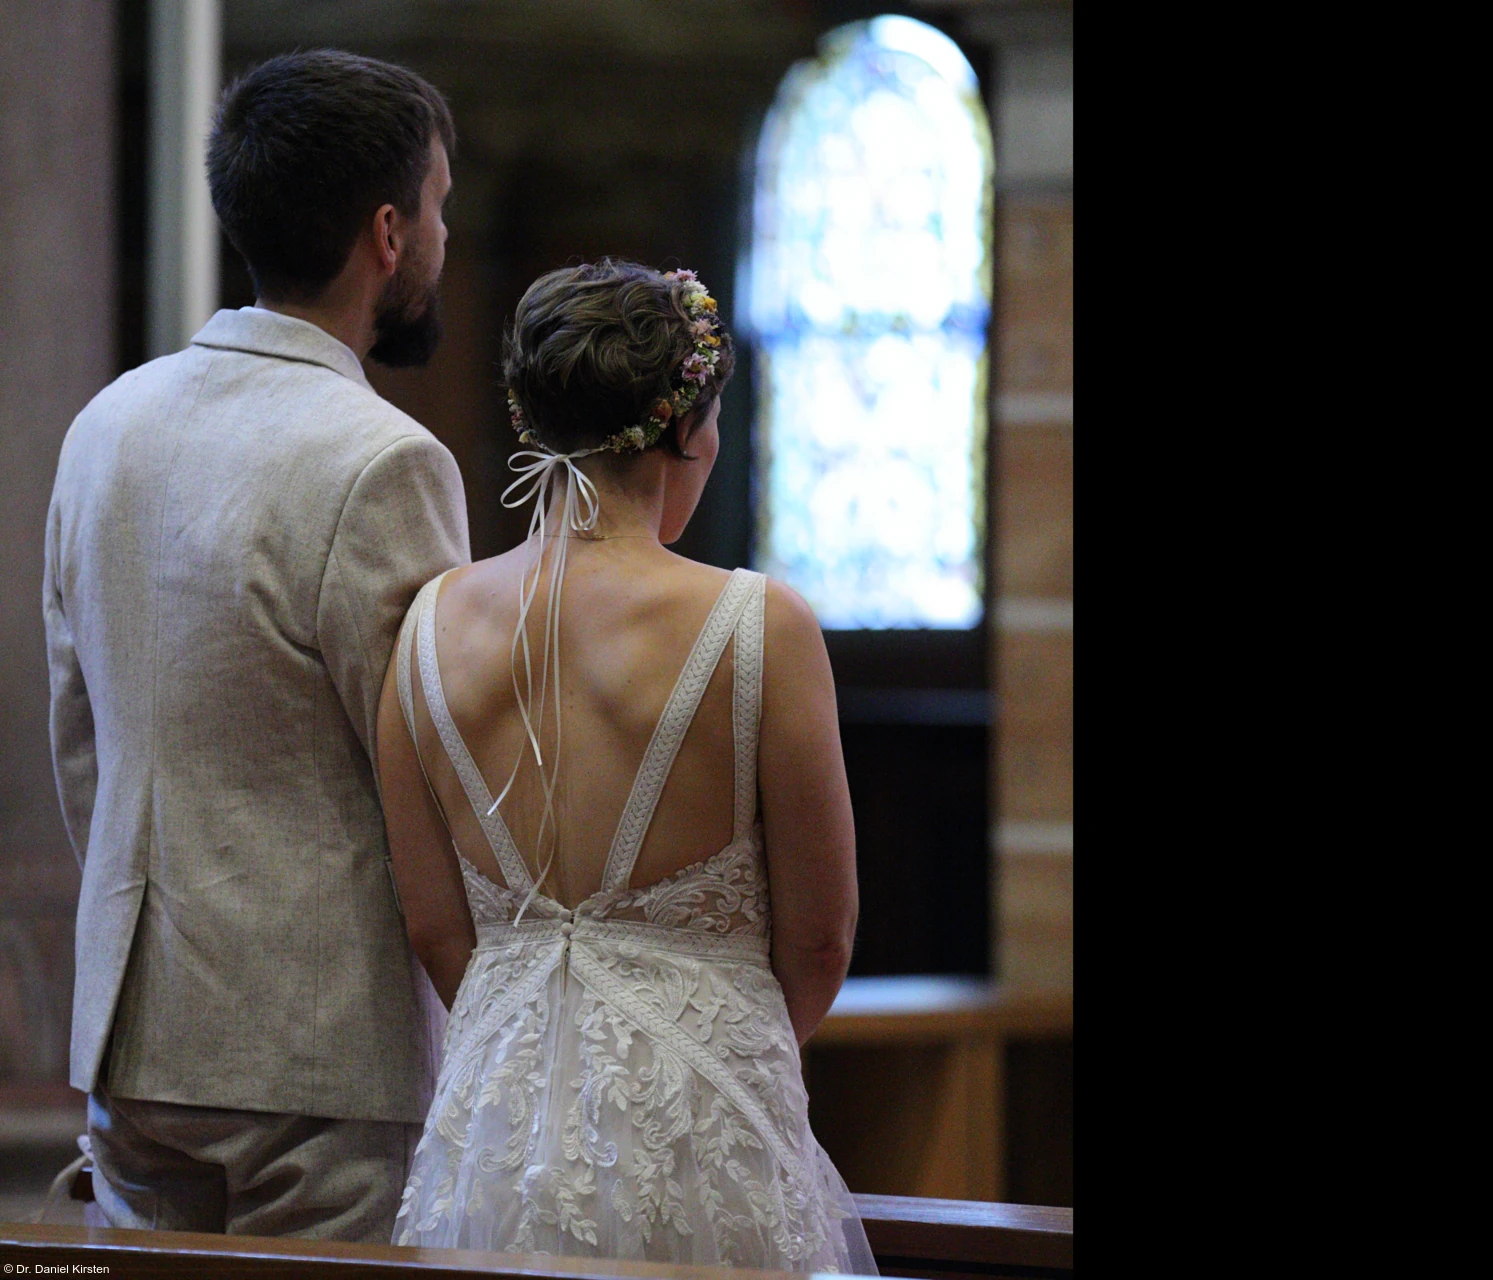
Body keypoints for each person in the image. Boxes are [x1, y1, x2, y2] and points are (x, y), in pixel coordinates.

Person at [41, 51, 466, 1241]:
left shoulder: (105, 423)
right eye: (437, 204)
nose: (445, 232)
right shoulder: (384, 458)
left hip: (136, 1036)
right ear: (388, 232)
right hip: (319, 1054)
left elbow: (82, 739)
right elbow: (429, 776)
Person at [376, 260, 874, 1273]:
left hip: (499, 1131)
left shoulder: (425, 629)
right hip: (703, 1118)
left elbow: (435, 925)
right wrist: (708, 1040)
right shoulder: (759, 626)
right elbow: (821, 940)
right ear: (685, 430)